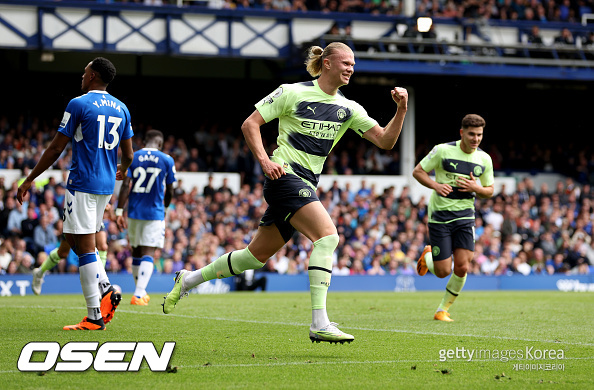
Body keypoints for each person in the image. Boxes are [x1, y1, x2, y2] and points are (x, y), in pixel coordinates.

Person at [162, 41, 409, 344]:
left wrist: (401, 110)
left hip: (305, 183)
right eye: (346, 63)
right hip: (284, 177)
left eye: (353, 65)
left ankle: (188, 279)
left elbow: (385, 141)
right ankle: (319, 322)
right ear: (328, 63)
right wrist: (265, 161)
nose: (351, 69)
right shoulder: (291, 91)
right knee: (328, 237)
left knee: (252, 258)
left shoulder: (349, 108)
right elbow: (250, 124)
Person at [17, 57, 134, 330]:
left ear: (92, 75)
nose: (82, 76)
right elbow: (128, 154)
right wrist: (123, 169)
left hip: (82, 183)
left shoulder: (78, 103)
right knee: (74, 239)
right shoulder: (122, 108)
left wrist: (29, 179)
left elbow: (56, 148)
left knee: (84, 250)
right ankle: (97, 309)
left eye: (84, 72)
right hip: (105, 186)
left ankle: (100, 300)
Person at [413, 114, 494, 322]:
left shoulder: (484, 159)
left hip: (465, 217)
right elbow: (418, 171)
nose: (476, 139)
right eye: (472, 134)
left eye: (479, 135)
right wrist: (436, 185)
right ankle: (428, 256)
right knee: (442, 271)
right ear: (462, 133)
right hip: (440, 217)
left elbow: (490, 190)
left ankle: (442, 310)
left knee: (463, 266)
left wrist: (477, 188)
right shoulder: (443, 150)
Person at [115, 129, 176, 306]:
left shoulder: (133, 157)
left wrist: (119, 210)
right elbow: (171, 189)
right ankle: (139, 293)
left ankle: (140, 292)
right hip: (154, 212)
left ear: (144, 142)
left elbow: (126, 185)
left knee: (136, 251)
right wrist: (165, 207)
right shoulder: (166, 159)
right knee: (149, 252)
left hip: (134, 211)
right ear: (160, 144)